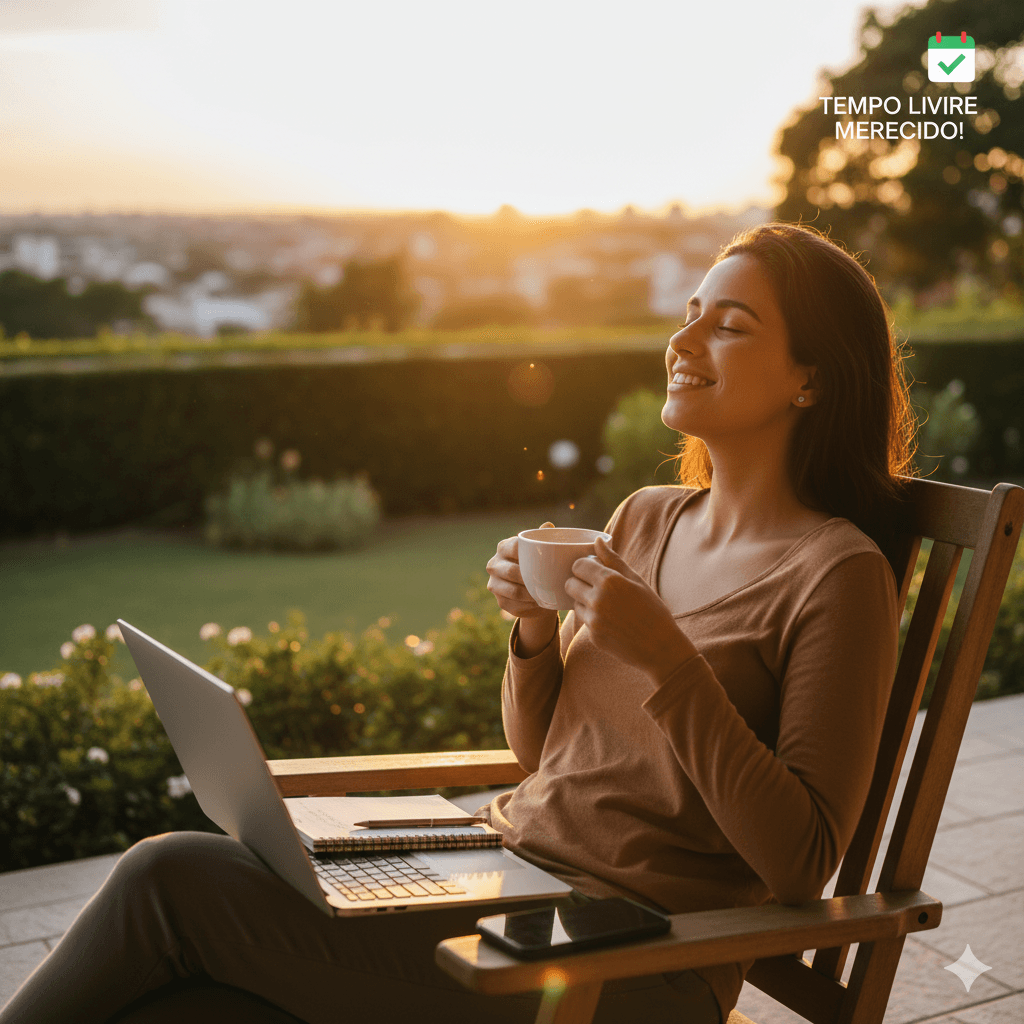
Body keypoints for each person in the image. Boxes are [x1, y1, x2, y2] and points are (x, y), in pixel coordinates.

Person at [0, 223, 915, 1024]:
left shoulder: (838, 575)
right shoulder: (646, 517)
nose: (684, 338)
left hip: (631, 963)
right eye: (690, 311)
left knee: (170, 882)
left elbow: (800, 865)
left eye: (731, 324)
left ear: (810, 381)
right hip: (507, 886)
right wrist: (530, 635)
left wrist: (665, 658)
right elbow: (540, 758)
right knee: (196, 1001)